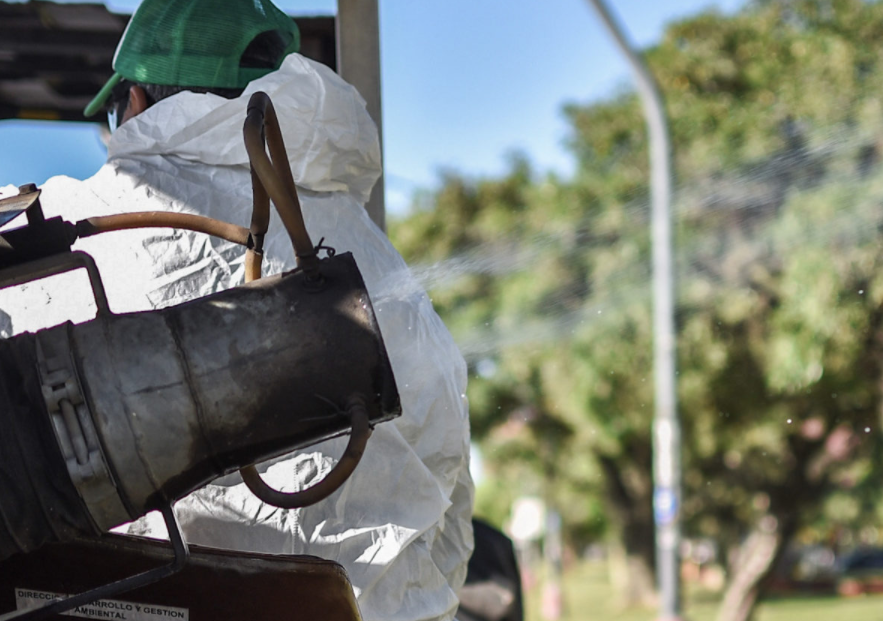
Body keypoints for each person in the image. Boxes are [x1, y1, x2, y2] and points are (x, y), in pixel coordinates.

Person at [0, 1, 474, 620]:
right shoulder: (378, 261)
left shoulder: (57, 229)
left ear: (137, 104)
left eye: (117, 112)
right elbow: (448, 516)